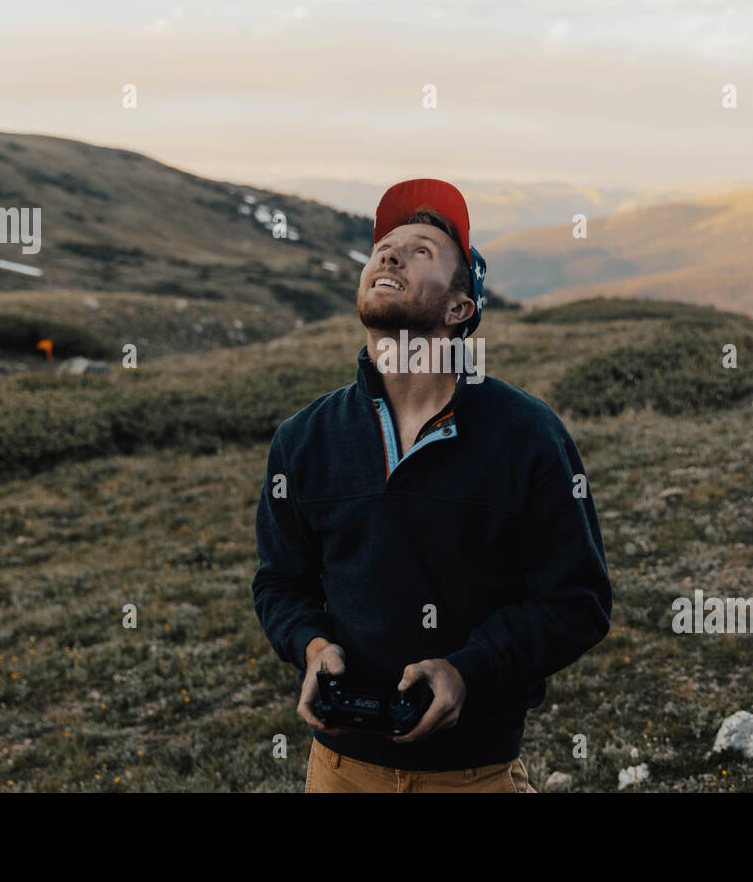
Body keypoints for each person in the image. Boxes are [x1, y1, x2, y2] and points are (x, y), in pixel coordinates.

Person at [252, 178, 612, 792]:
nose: (389, 255)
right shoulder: (304, 439)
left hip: (471, 773)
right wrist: (311, 646)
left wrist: (467, 671)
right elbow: (280, 582)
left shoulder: (527, 435)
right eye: (384, 249)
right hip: (338, 770)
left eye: (421, 251)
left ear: (459, 309)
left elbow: (577, 602)